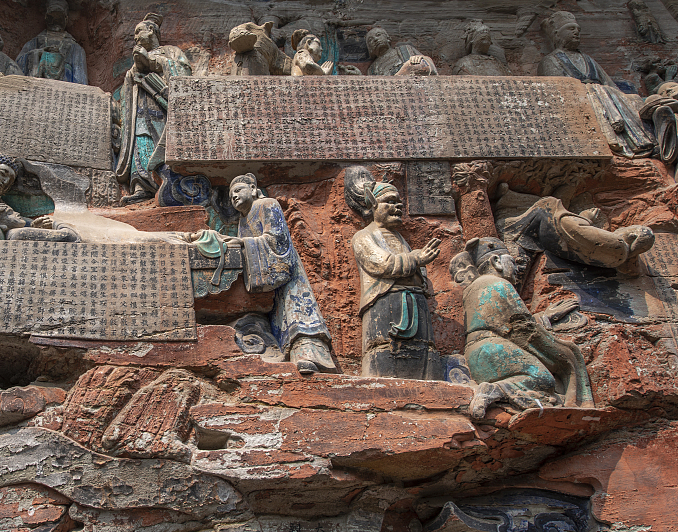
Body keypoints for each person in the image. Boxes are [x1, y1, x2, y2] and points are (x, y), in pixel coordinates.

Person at [207, 173, 336, 374]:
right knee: (276, 316)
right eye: (231, 194)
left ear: (252, 189)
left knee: (297, 312)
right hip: (268, 274)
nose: (234, 197)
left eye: (238, 190)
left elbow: (278, 241)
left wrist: (244, 243)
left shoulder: (268, 204)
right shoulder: (243, 220)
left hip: (285, 272)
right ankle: (287, 354)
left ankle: (310, 354)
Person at [455, 237, 593, 419]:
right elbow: (523, 328)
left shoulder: (473, 289)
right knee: (545, 377)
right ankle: (495, 390)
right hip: (495, 350)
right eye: (512, 261)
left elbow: (500, 321)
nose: (517, 268)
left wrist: (546, 318)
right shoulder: (500, 284)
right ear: (496, 262)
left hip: (476, 355)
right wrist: (561, 352)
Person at [349, 173, 442, 379]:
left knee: (424, 356)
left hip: (415, 302)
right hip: (386, 303)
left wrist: (417, 262)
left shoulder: (402, 240)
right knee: (386, 354)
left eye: (399, 203)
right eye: (390, 202)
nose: (397, 207)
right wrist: (416, 259)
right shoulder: (364, 236)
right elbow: (382, 264)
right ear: (373, 205)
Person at [537, 10, 657, 158]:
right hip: (581, 98)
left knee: (634, 100)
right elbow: (557, 88)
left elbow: (609, 83)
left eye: (578, 29)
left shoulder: (587, 59)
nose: (576, 32)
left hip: (605, 94)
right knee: (600, 94)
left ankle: (644, 142)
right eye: (571, 29)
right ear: (557, 34)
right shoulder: (551, 60)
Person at [115, 12, 192, 203]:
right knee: (140, 141)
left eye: (138, 31)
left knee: (164, 146)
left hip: (163, 109)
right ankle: (141, 186)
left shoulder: (171, 52)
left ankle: (166, 184)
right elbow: (128, 87)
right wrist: (134, 73)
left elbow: (184, 73)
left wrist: (153, 63)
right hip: (140, 110)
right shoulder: (135, 58)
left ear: (151, 30)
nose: (135, 37)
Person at [494, 184, 654, 270]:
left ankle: (506, 209)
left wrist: (585, 218)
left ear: (632, 235)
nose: (623, 230)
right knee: (551, 205)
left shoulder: (617, 244)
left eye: (629, 228)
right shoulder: (618, 259)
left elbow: (578, 232)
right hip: (562, 247)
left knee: (549, 204)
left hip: (556, 238)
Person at [15, 0, 87, 84]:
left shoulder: (74, 47)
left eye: (59, 17)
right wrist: (39, 54)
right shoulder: (35, 42)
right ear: (46, 17)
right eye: (52, 17)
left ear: (66, 19)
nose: (55, 21)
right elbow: (19, 63)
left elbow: (80, 76)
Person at [366, 27, 437, 76]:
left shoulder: (405, 50)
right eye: (370, 40)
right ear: (370, 49)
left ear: (388, 38)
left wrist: (421, 58)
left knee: (419, 65)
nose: (375, 39)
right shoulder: (373, 68)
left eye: (378, 35)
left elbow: (430, 68)